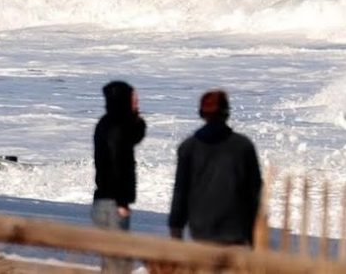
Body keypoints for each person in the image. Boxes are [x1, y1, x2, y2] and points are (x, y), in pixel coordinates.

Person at [168, 90, 262, 246]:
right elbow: (255, 192)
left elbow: (180, 191)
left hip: (201, 228)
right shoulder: (243, 146)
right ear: (227, 113)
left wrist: (175, 228)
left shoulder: (188, 147)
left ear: (201, 113)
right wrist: (254, 235)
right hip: (236, 229)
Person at [92, 80, 146, 273]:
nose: (136, 103)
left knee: (112, 260)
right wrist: (122, 202)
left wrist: (135, 114)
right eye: (133, 99)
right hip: (113, 203)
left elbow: (135, 135)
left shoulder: (106, 123)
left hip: (103, 201)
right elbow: (118, 165)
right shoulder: (116, 129)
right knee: (118, 262)